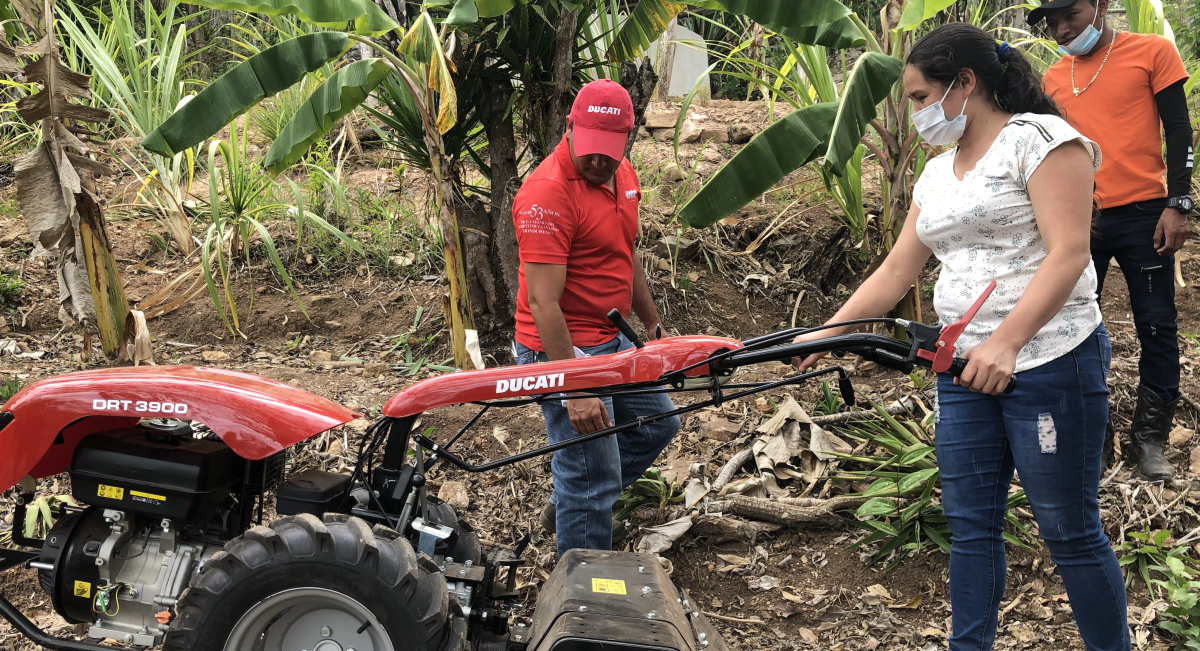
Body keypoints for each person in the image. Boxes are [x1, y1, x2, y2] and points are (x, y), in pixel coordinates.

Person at [793, 24, 1128, 651]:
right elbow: (898, 269)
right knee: (971, 527)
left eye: (921, 98)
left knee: (1068, 528)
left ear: (965, 84)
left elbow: (1069, 253)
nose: (917, 112)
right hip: (963, 367)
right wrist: (829, 332)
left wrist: (1006, 343)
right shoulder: (937, 173)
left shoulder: (1044, 142)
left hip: (1051, 359)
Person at [510, 79, 679, 557]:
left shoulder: (622, 176)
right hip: (560, 347)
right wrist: (576, 385)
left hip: (611, 335)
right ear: (570, 128)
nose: (599, 162)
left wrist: (650, 321)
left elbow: (625, 254)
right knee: (591, 476)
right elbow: (543, 303)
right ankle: (584, 590)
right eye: (590, 150)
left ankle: (575, 501)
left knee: (657, 424)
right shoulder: (547, 193)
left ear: (627, 139)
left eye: (610, 151)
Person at [1030, 0, 1194, 482]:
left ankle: (1149, 440)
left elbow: (1179, 130)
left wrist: (1177, 203)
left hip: (1146, 212)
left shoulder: (1152, 52)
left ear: (1100, 5)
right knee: (1074, 324)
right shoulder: (1053, 79)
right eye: (1053, 22)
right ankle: (1093, 435)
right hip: (1080, 218)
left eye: (1071, 16)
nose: (1061, 29)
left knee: (1158, 325)